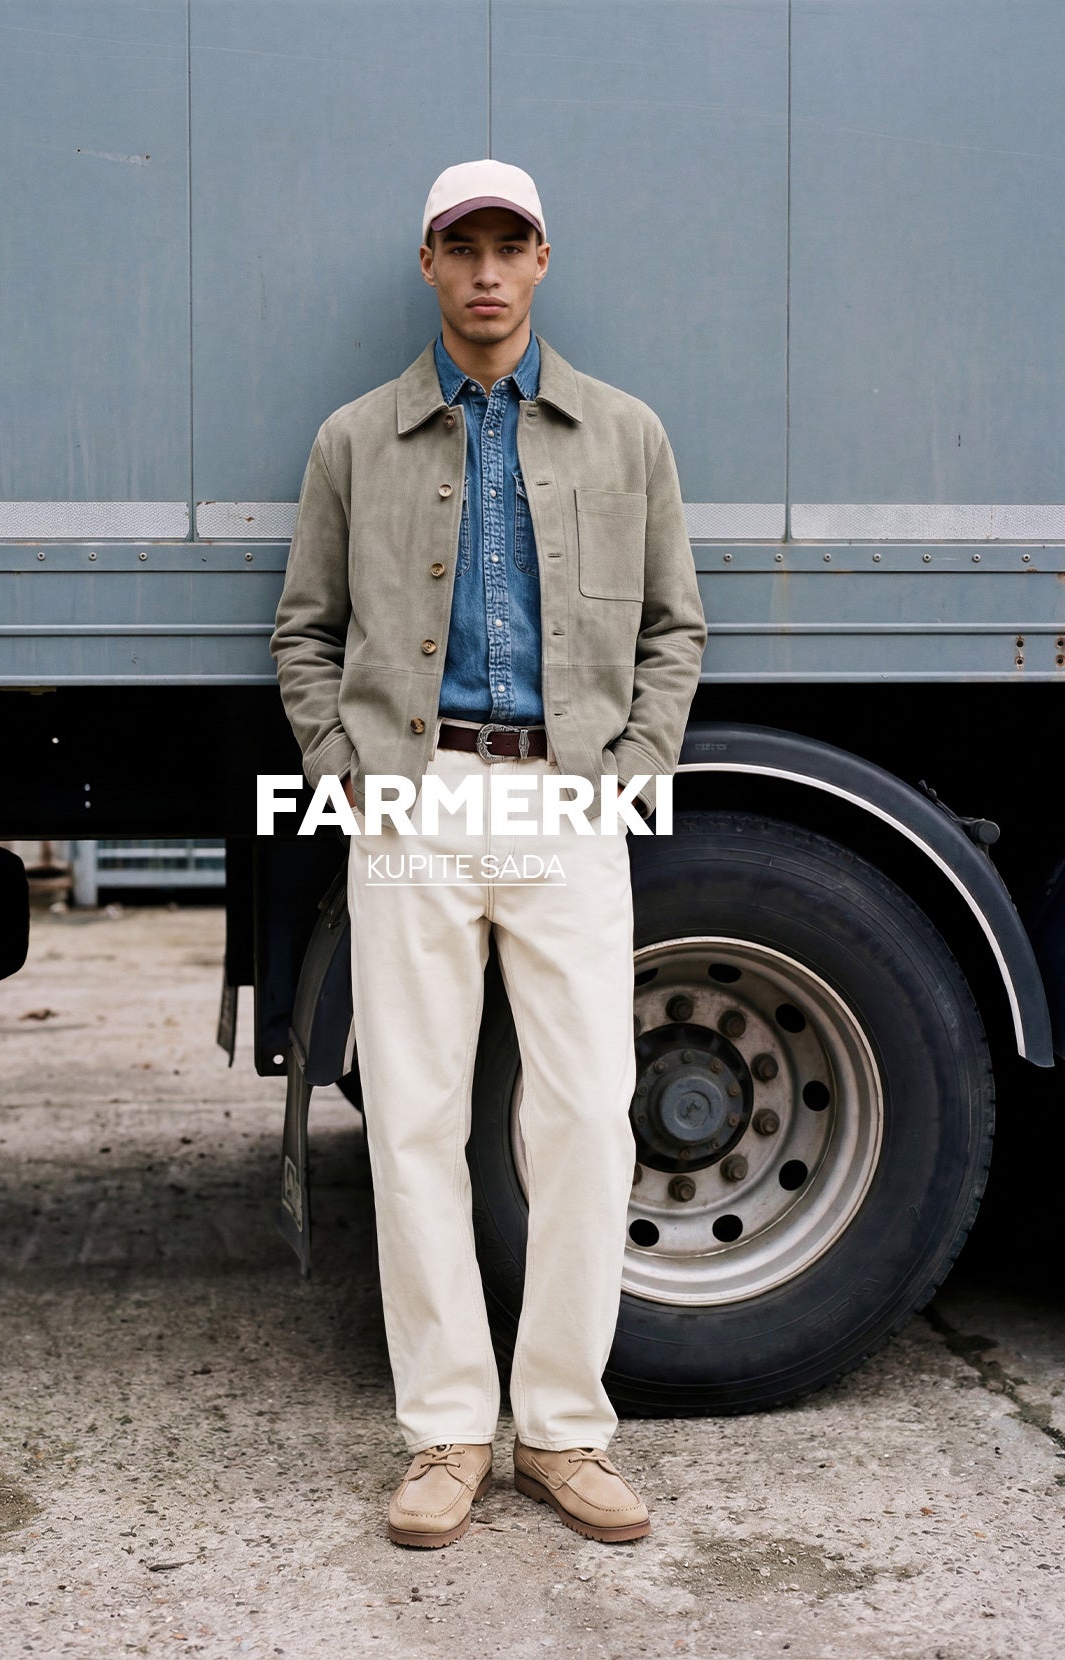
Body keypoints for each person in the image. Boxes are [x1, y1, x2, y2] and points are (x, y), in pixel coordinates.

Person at [271, 159, 706, 1548]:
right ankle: (449, 1432)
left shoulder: (624, 433)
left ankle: (564, 1433)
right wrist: (348, 776)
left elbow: (674, 628)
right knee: (413, 1120)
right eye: (462, 247)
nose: (486, 272)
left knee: (583, 1117)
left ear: (541, 261)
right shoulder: (357, 440)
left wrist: (630, 773)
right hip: (418, 799)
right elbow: (304, 632)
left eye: (510, 246)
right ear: (430, 264)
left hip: (567, 801)